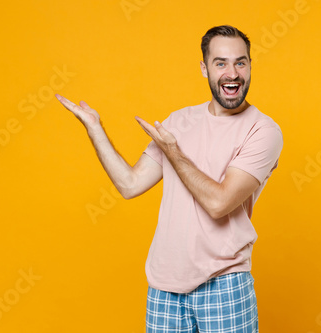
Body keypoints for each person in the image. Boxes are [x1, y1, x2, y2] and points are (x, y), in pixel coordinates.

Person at [56, 25, 283, 333]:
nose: (233, 73)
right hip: (164, 287)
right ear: (204, 68)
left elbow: (219, 203)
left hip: (224, 283)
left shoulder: (263, 131)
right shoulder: (179, 121)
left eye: (240, 62)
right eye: (221, 63)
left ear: (250, 65)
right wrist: (95, 129)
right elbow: (130, 184)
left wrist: (173, 151)